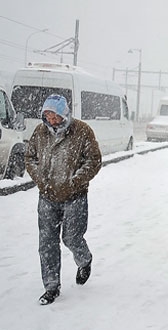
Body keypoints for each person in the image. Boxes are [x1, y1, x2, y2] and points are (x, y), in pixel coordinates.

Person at [24, 94, 102, 305]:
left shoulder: (82, 131)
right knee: (47, 243)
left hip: (74, 196)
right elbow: (29, 158)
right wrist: (41, 179)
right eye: (47, 115)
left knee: (72, 238)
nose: (51, 120)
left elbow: (94, 160)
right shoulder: (40, 132)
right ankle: (51, 287)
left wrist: (74, 181)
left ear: (64, 113)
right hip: (47, 196)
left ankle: (84, 260)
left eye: (55, 115)